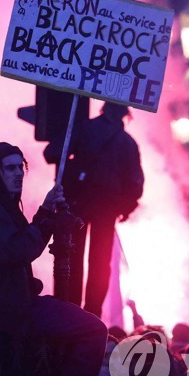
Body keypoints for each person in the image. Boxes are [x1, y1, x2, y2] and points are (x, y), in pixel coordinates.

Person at [0, 142, 107, 376]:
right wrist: (47, 218)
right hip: (10, 308)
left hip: (12, 304)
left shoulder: (1, 205)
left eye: (21, 167)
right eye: (10, 168)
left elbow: (23, 241)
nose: (18, 173)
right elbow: (21, 249)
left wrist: (45, 210)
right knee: (94, 329)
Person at [45, 102, 144, 317]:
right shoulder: (127, 143)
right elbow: (135, 184)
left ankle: (68, 311)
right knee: (100, 263)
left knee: (70, 256)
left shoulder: (81, 128)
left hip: (76, 204)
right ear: (124, 115)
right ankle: (91, 315)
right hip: (107, 209)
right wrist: (125, 208)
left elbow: (51, 153)